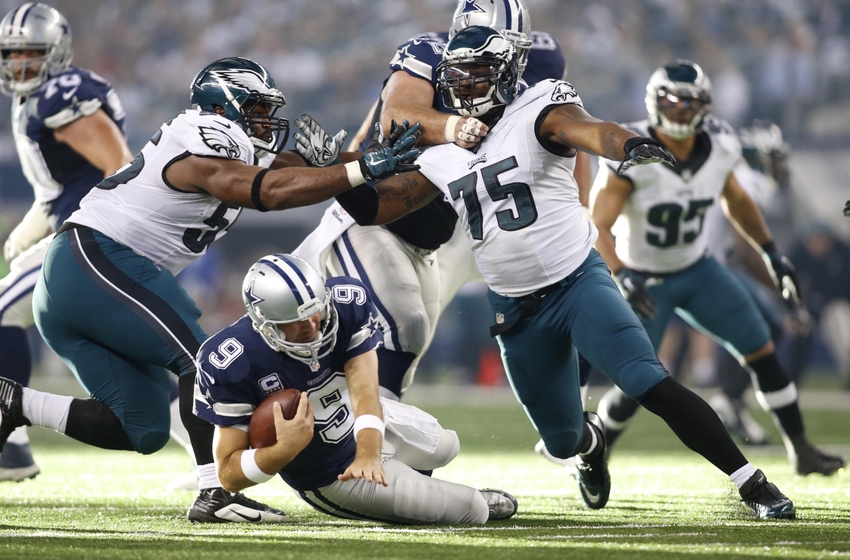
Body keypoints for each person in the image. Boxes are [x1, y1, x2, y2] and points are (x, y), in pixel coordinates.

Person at [337, 26, 798, 520]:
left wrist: (628, 144)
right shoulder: (442, 144)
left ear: (508, 73)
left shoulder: (539, 106)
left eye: (477, 75)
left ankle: (752, 483)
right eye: (457, 76)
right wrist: (341, 169)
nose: (464, 87)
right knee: (561, 440)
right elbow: (381, 207)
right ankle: (592, 443)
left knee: (647, 380)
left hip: (577, 281)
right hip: (514, 308)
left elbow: (592, 130)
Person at [0, 56, 419, 522]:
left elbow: (289, 169)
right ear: (223, 109)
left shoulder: (233, 144)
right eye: (256, 109)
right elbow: (267, 190)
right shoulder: (201, 138)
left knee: (143, 427)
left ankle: (13, 402)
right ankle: (215, 493)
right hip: (92, 260)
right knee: (202, 360)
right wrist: (359, 170)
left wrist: (363, 162)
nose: (266, 121)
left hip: (83, 282)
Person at [295, 0, 590, 402]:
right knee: (403, 327)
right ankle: (334, 433)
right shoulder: (427, 52)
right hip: (380, 214)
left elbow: (567, 135)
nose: (508, 60)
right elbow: (394, 114)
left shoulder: (541, 60)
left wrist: (579, 211)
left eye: (514, 49)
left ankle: (370, 439)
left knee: (407, 349)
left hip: (439, 227)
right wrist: (458, 127)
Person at [589, 60, 845, 477]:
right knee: (634, 383)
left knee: (761, 348)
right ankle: (597, 456)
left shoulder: (722, 144)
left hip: (697, 268)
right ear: (655, 104)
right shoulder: (629, 147)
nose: (683, 114)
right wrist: (620, 272)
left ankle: (800, 449)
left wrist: (771, 253)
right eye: (674, 105)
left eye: (691, 106)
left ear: (706, 106)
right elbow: (596, 223)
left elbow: (738, 201)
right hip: (643, 277)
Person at [194, 253, 518, 524]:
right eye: (294, 320)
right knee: (473, 510)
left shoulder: (347, 304)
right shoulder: (231, 360)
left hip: (361, 419)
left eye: (315, 311)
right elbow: (228, 474)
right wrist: (283, 450)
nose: (311, 326)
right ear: (262, 321)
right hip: (330, 475)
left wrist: (368, 454)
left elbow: (365, 390)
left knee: (447, 445)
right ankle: (415, 493)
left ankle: (402, 478)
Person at [0, 3, 135, 482]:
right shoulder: (31, 101)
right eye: (12, 55)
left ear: (56, 52)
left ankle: (10, 445)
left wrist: (78, 232)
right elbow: (54, 191)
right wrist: (28, 233)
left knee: (2, 310)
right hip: (78, 226)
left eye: (31, 54)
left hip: (91, 235)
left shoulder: (62, 92)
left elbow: (119, 166)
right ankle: (213, 460)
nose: (20, 65)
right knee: (133, 358)